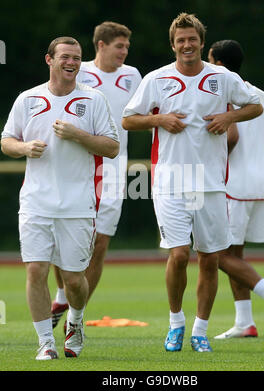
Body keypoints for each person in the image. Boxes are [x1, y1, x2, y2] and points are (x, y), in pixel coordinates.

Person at [122, 13, 264, 353]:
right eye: (181, 40)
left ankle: (200, 330)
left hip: (212, 182)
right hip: (170, 180)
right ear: (173, 45)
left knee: (211, 258)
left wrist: (230, 115)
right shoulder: (157, 79)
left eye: (193, 39)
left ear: (201, 42)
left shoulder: (222, 77)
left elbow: (256, 106)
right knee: (180, 254)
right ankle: (175, 325)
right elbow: (128, 119)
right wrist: (160, 119)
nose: (187, 45)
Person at [1, 37, 119, 360]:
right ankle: (45, 343)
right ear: (49, 60)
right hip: (36, 203)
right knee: (35, 270)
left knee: (73, 279)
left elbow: (112, 147)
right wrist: (25, 148)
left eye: (77, 58)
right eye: (66, 57)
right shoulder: (28, 99)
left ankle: (76, 321)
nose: (72, 62)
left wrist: (77, 134)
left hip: (79, 204)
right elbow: (6, 141)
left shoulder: (93, 100)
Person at [50, 22, 142, 330]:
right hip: (77, 163)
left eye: (127, 47)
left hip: (114, 166)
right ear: (100, 46)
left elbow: (139, 115)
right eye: (119, 46)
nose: (124, 52)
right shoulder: (79, 71)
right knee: (60, 234)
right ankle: (63, 293)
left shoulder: (133, 76)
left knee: (100, 241)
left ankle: (75, 317)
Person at [206, 39, 264, 339]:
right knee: (235, 253)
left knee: (215, 254)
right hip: (258, 185)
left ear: (217, 63)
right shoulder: (256, 92)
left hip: (233, 184)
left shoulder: (223, 90)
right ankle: (244, 322)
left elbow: (230, 137)